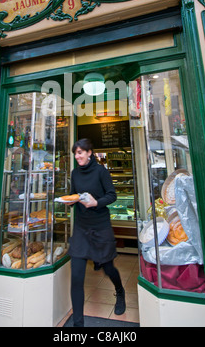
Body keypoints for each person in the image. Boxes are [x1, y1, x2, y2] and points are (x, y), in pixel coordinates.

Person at [66, 138, 126, 327]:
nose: (77, 157)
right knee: (76, 276)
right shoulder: (75, 173)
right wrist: (69, 202)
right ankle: (78, 325)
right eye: (75, 153)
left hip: (100, 227)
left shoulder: (101, 171)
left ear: (90, 152)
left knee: (108, 268)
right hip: (81, 229)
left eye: (80, 153)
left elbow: (112, 195)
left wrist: (96, 203)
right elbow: (74, 195)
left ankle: (120, 291)